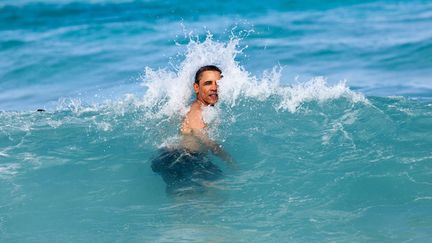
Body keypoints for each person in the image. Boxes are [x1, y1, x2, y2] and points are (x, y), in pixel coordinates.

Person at [151, 65, 235, 194]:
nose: (214, 87)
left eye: (218, 83)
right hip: (183, 159)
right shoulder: (197, 111)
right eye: (208, 83)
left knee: (189, 201)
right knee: (216, 191)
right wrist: (229, 160)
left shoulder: (204, 109)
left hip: (181, 158)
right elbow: (206, 141)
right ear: (197, 87)